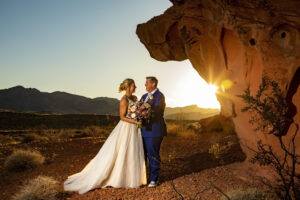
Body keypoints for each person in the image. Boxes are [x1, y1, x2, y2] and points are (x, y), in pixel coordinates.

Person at [63, 78, 146, 194]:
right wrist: (136, 122)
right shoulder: (123, 100)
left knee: (132, 150)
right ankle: (119, 177)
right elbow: (122, 117)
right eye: (133, 86)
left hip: (134, 128)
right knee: (123, 150)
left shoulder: (135, 98)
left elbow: (136, 111)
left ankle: (130, 175)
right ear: (128, 87)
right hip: (127, 127)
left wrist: (140, 115)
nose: (135, 87)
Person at [141, 76, 167, 187]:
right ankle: (143, 178)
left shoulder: (160, 96)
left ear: (153, 84)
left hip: (154, 130)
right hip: (142, 130)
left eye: (147, 83)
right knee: (142, 155)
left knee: (153, 154)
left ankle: (154, 179)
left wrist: (143, 111)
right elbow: (138, 109)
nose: (145, 85)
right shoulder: (143, 96)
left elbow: (156, 111)